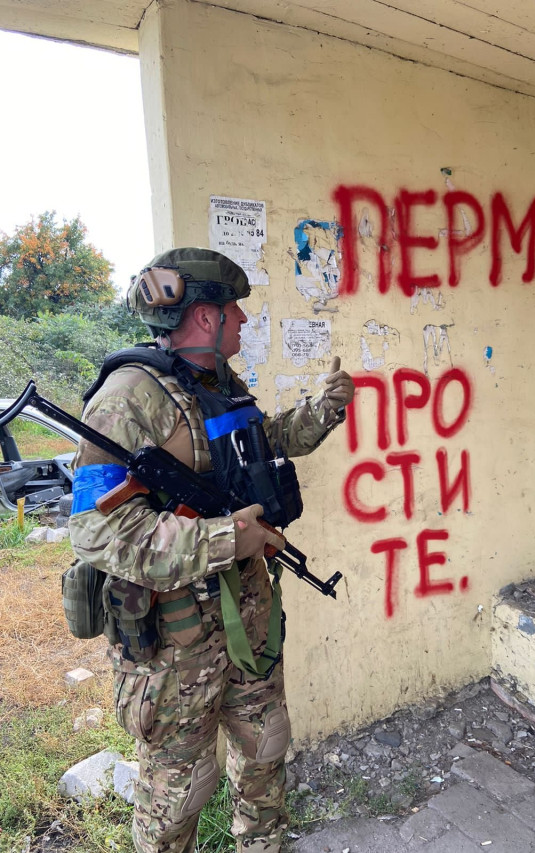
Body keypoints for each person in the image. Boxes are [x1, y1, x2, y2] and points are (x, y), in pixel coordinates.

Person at [67, 247, 354, 853]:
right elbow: (97, 532)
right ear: (205, 316)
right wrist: (228, 538)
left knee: (265, 750)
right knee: (178, 793)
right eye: (235, 309)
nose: (244, 320)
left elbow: (263, 442)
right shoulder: (126, 398)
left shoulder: (219, 386)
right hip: (174, 642)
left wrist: (324, 410)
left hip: (246, 616)